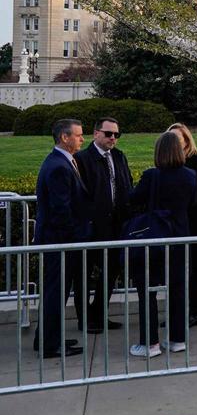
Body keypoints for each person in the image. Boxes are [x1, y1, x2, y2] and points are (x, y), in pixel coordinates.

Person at [128, 130, 197, 358]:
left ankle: (150, 343)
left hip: (154, 238)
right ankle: (177, 339)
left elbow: (134, 199)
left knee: (146, 289)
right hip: (179, 237)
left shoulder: (151, 176)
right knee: (177, 289)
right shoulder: (190, 176)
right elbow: (192, 203)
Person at [32, 118, 90, 358]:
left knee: (55, 292)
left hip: (58, 240)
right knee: (56, 292)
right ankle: (50, 344)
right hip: (59, 242)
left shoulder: (62, 161)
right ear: (64, 138)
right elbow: (61, 209)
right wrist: (72, 239)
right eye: (78, 135)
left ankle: (47, 338)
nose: (82, 139)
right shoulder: (58, 166)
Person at [74, 116, 133, 333]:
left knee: (110, 272)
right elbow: (80, 195)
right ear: (96, 133)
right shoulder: (82, 158)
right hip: (91, 228)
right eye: (108, 134)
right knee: (84, 274)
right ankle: (84, 319)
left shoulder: (119, 156)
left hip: (116, 226)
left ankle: (99, 314)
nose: (113, 138)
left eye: (116, 134)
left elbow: (127, 184)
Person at [168, 123, 197, 327]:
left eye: (179, 138)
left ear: (187, 140)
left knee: (193, 270)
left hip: (193, 224)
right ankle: (177, 311)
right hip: (171, 226)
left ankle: (196, 310)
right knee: (175, 271)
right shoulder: (166, 163)